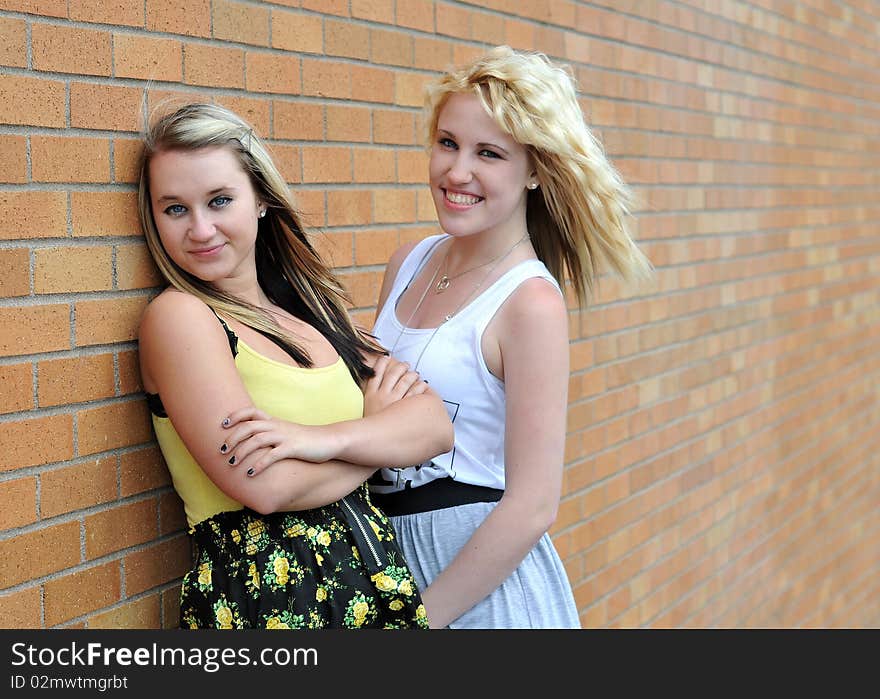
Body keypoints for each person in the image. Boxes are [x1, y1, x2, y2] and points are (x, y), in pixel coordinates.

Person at [366, 46, 653, 628]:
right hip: (391, 566)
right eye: (447, 143)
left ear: (534, 174)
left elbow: (532, 506)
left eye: (488, 154)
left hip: (482, 594)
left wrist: (419, 621)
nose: (457, 172)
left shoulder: (531, 304)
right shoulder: (408, 263)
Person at [136, 102, 453, 629]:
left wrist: (320, 441)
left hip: (372, 590)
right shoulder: (180, 319)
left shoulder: (315, 314)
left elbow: (435, 426)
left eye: (219, 200)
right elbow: (267, 486)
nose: (201, 229)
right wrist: (377, 438)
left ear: (260, 198)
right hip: (269, 605)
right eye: (175, 209)